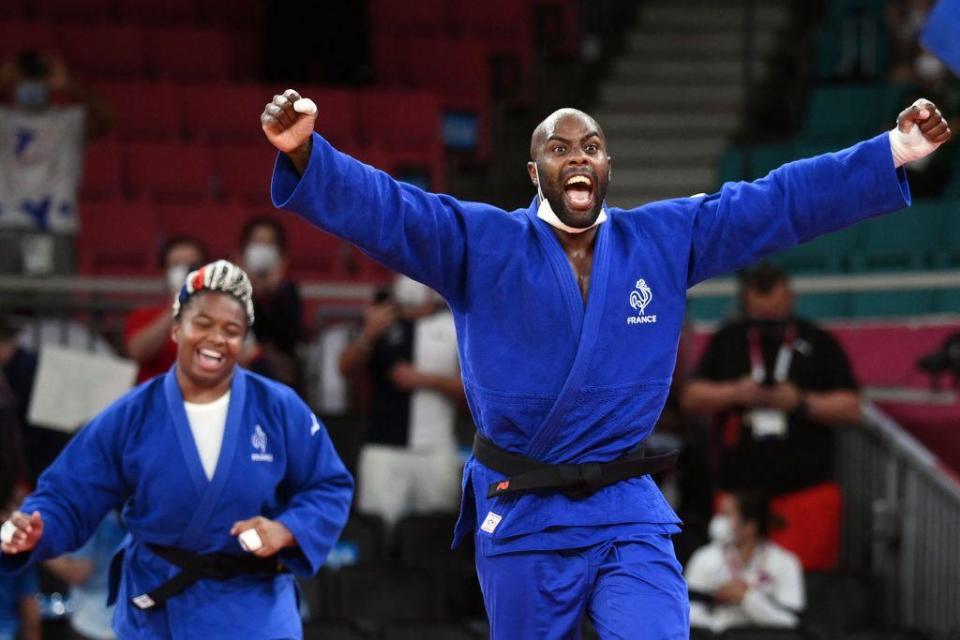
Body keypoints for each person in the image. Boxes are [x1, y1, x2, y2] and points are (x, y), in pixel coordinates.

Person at [261, 86, 950, 638]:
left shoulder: (663, 238)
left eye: (591, 145)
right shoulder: (483, 241)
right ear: (536, 172)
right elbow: (392, 210)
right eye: (559, 148)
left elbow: (779, 203)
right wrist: (307, 158)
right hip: (523, 502)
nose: (578, 156)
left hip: (625, 506)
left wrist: (891, 149)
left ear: (608, 167)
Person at [1, 260, 353, 639]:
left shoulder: (278, 407)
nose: (216, 338)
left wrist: (286, 529)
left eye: (231, 330)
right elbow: (69, 495)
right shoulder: (133, 413)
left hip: (253, 609)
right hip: (158, 612)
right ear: (176, 329)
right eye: (202, 324)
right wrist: (38, 526)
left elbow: (329, 486)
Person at [681, 263, 861, 570]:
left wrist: (800, 402)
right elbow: (691, 397)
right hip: (738, 494)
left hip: (805, 492)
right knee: (732, 582)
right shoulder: (728, 340)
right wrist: (737, 392)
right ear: (746, 301)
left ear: (790, 297)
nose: (767, 324)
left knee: (805, 585)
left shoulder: (818, 342)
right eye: (760, 316)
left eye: (774, 315)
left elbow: (851, 407)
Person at [339, 274, 464, 529]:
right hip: (382, 446)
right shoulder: (380, 321)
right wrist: (368, 334)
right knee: (379, 529)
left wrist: (425, 380)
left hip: (435, 446)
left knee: (436, 531)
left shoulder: (454, 325)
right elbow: (344, 367)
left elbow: (473, 391)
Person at [0, 50, 112, 274]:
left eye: (38, 77)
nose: (32, 83)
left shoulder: (69, 120)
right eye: (26, 77)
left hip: (54, 225)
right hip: (5, 224)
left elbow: (107, 119)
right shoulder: (4, 118)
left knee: (51, 302)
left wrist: (70, 85)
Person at [686, 492, 804, 633]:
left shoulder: (785, 562)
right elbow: (686, 612)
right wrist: (719, 618)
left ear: (750, 525)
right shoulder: (704, 558)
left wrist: (746, 598)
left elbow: (791, 623)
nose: (718, 521)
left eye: (727, 515)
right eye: (719, 514)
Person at [124, 236, 207, 384]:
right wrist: (177, 306)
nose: (184, 272)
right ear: (164, 272)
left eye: (191, 266)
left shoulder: (221, 315)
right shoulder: (144, 315)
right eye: (176, 265)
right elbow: (138, 353)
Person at [238, 216, 303, 389]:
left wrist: (274, 295)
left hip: (278, 381)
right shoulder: (230, 290)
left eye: (269, 243)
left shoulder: (288, 292)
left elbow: (288, 340)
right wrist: (247, 291)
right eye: (257, 242)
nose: (262, 249)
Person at [45, 510, 127, 640]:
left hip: (95, 624)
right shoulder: (129, 512)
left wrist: (38, 549)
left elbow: (78, 572)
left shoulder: (90, 516)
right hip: (127, 621)